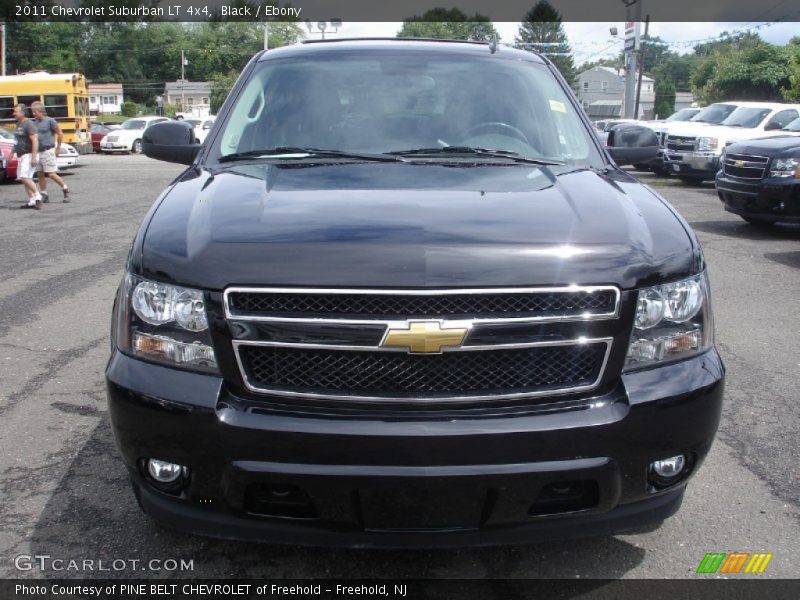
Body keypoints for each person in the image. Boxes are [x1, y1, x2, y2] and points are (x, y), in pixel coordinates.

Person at [30, 101, 69, 203]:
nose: (33, 114)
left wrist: (58, 148)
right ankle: (44, 194)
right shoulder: (35, 123)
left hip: (48, 150)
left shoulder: (50, 121)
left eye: (35, 112)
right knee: (40, 174)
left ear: (40, 111)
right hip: (39, 151)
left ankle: (65, 188)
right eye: (33, 112)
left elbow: (60, 133)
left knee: (51, 173)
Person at [12, 103, 42, 210]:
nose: (13, 113)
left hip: (29, 155)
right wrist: (12, 153)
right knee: (24, 178)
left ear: (23, 113)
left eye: (16, 111)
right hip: (21, 155)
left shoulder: (29, 124)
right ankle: (32, 200)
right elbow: (16, 141)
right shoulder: (18, 124)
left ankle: (38, 196)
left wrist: (34, 157)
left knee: (24, 177)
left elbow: (35, 140)